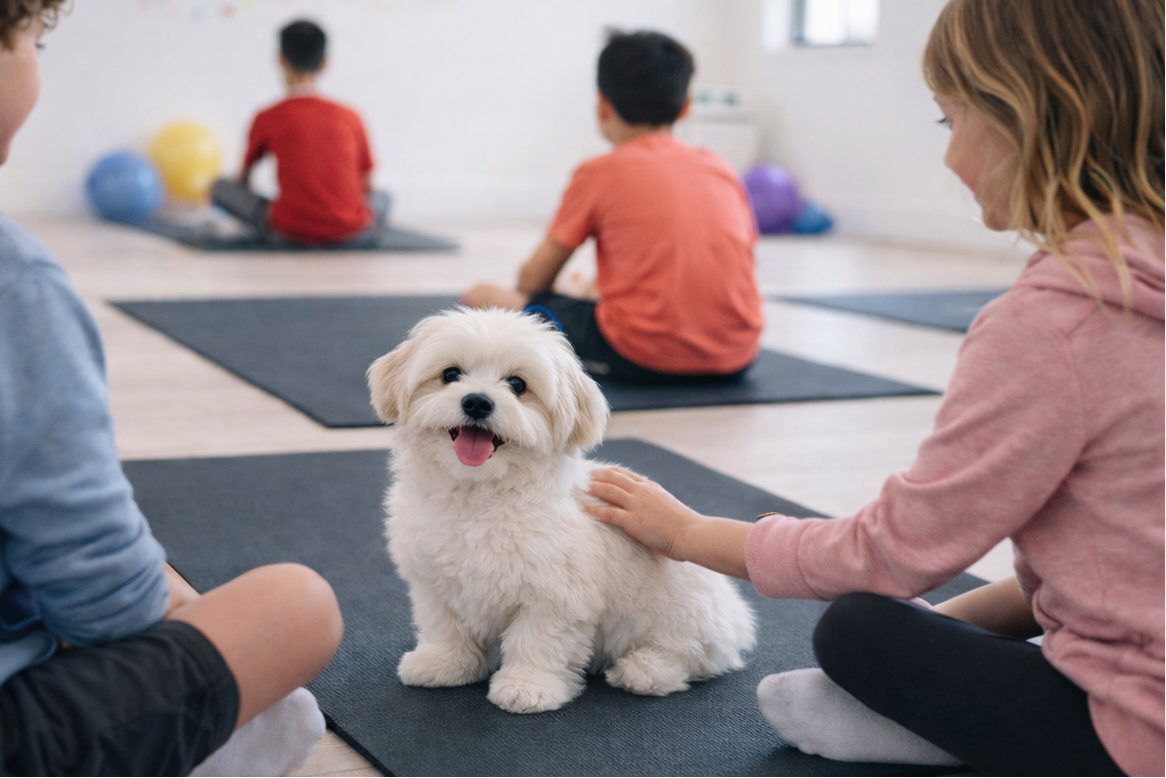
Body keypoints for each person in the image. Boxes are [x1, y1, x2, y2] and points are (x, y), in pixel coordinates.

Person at [585, 1, 1164, 775]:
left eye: (948, 121)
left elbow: (890, 554)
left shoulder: (1055, 324)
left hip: (1129, 735)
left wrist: (690, 535)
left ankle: (916, 732)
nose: (951, 155)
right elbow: (1094, 573)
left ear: (1030, 115)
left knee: (856, 628)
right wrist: (941, 634)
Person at [0, 4, 344, 775]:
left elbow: (246, 180)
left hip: (282, 222)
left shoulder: (268, 113)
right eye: (36, 40)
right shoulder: (14, 280)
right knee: (298, 607)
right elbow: (108, 609)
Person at [462, 31, 763, 385]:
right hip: (738, 355)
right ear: (685, 107)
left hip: (638, 355)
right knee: (593, 290)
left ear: (602, 105)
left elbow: (532, 280)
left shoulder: (599, 172)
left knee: (481, 297)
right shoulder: (721, 168)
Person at [211, 19, 390, 247]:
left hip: (288, 232)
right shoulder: (351, 116)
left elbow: (243, 180)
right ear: (325, 64)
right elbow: (369, 185)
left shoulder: (267, 116)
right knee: (385, 197)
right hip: (354, 233)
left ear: (280, 60)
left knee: (220, 188)